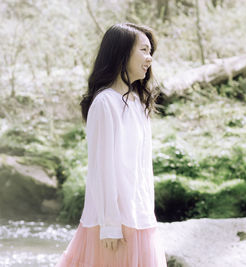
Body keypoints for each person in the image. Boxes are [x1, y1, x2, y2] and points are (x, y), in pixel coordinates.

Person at [55, 22, 167, 266]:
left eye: (151, 52)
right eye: (144, 50)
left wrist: (147, 213)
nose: (149, 59)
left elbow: (141, 169)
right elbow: (102, 169)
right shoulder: (105, 103)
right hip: (113, 225)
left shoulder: (138, 102)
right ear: (122, 53)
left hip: (140, 217)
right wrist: (110, 226)